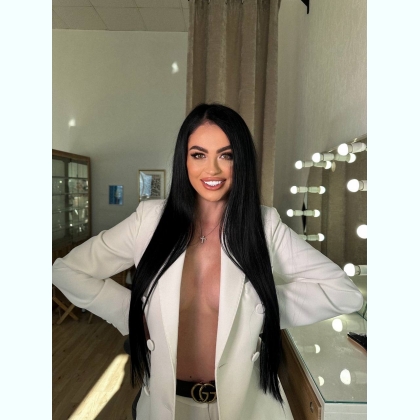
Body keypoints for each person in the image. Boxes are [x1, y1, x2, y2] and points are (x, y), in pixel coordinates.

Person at [52, 103, 363, 420]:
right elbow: (66, 270)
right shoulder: (149, 221)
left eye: (226, 155)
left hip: (244, 409)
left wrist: (259, 307)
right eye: (199, 154)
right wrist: (131, 312)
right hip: (166, 407)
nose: (212, 169)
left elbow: (343, 292)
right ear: (184, 160)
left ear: (241, 161)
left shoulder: (263, 225)